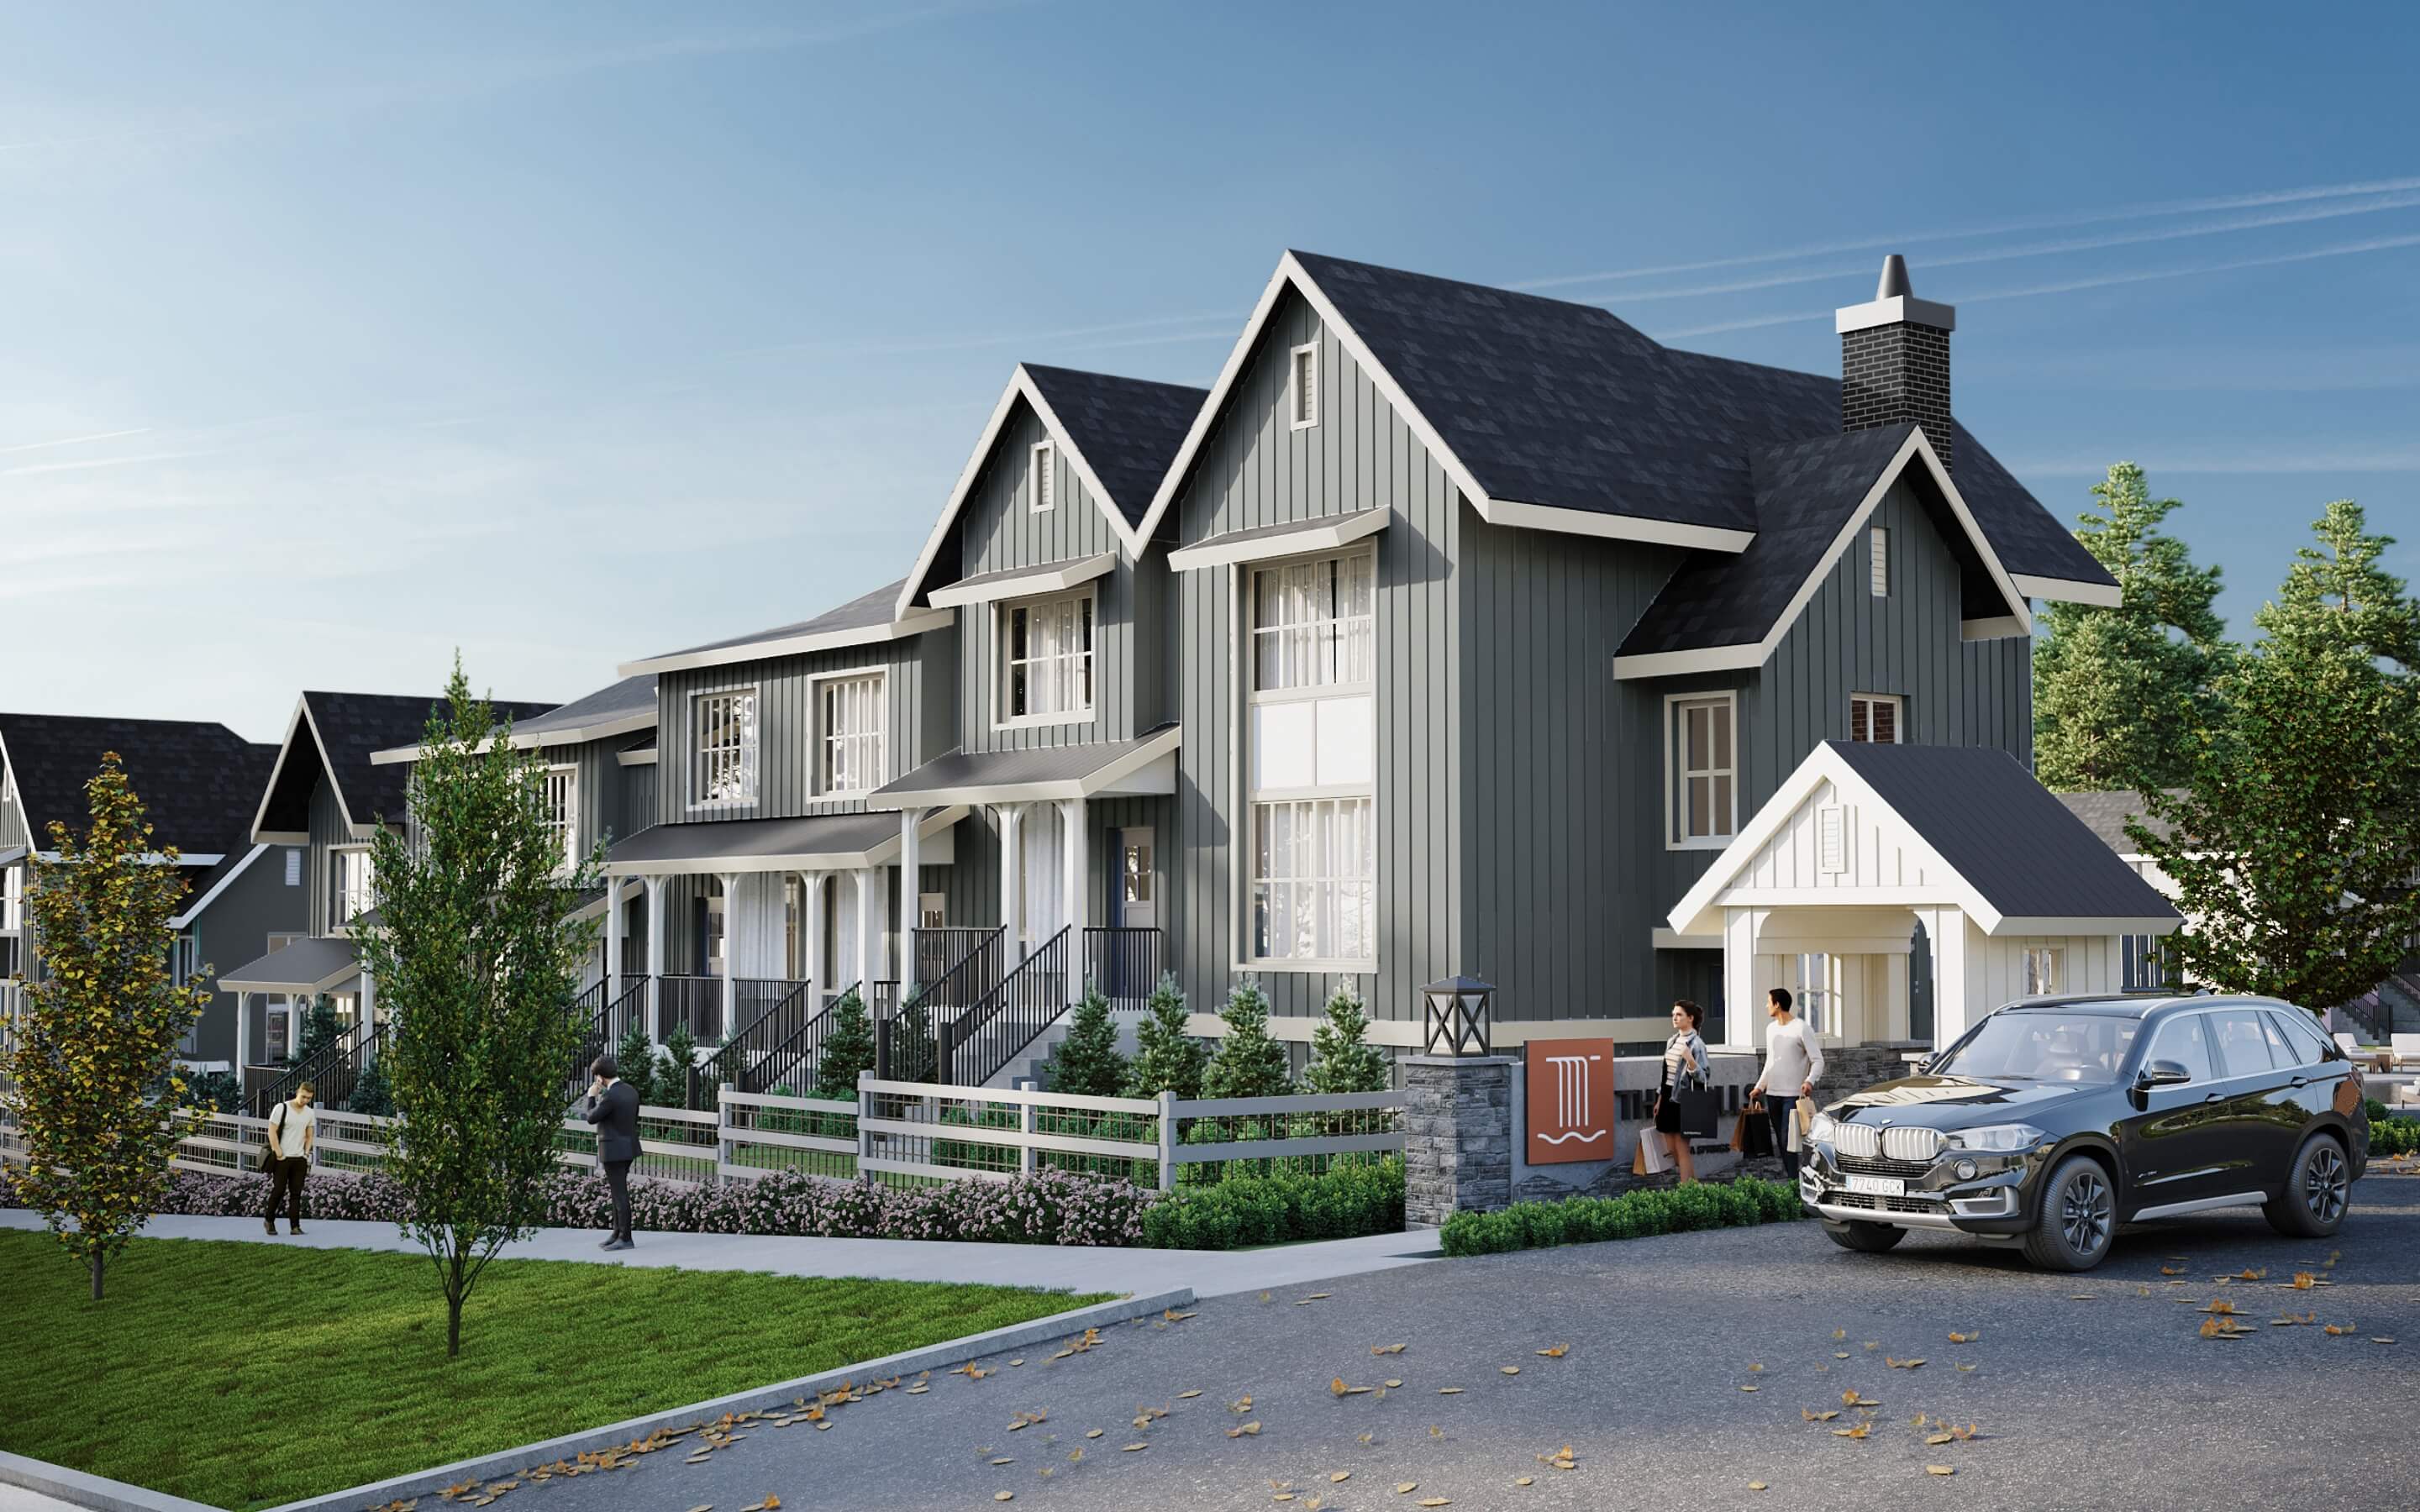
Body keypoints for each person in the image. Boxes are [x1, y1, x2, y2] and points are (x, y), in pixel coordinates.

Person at [1751, 987, 1825, 1179]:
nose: (1766, 1006)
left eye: (1768, 1002)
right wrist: (1760, 1086)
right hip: (1773, 1094)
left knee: (1788, 1139)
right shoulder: (1771, 1029)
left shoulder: (1801, 1028)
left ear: (1777, 1004)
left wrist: (1810, 1081)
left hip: (1793, 1095)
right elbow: (1771, 1060)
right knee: (1782, 1142)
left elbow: (1818, 1060)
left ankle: (1795, 1180)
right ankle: (1794, 1178)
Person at [584, 1055, 639, 1251]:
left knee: (619, 1195)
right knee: (619, 1192)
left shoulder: (610, 1095)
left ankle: (625, 1238)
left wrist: (591, 1096)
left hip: (613, 1150)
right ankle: (616, 1233)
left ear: (600, 1077)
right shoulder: (630, 1091)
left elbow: (591, 1117)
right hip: (629, 1147)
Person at [1655, 1000, 1710, 1184]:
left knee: (1682, 1148)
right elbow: (1666, 1074)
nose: (1675, 1018)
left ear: (1690, 1018)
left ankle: (1686, 1192)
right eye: (1673, 1014)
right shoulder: (1672, 1041)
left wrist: (1691, 1061)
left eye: (1679, 1015)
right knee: (1670, 1148)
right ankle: (1695, 1187)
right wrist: (1660, 1100)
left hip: (1684, 1099)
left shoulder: (1697, 1044)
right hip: (1668, 1096)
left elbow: (1704, 1077)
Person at [263, 1082, 316, 1236]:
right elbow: (272, 1131)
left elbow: (310, 1134)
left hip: (299, 1159)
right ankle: (269, 1220)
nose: (305, 1100)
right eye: (303, 1097)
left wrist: (306, 1153)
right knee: (278, 1190)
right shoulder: (281, 1108)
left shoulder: (309, 1113)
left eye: (308, 1098)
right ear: (298, 1092)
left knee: (296, 1193)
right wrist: (278, 1152)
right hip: (282, 1158)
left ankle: (295, 1226)